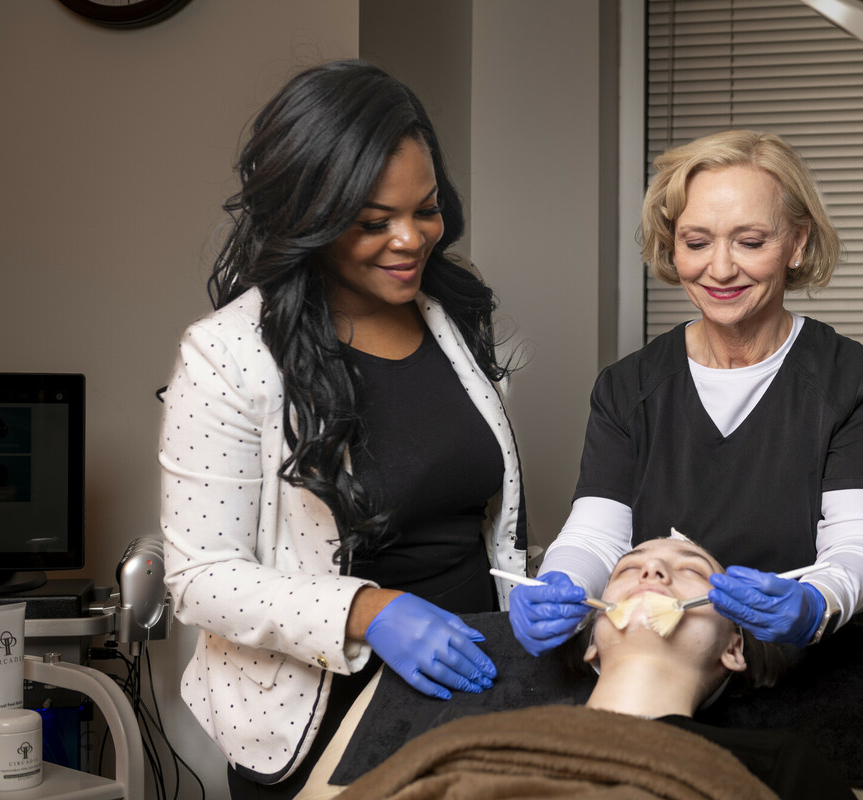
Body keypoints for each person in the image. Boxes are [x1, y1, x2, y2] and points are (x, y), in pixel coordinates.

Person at [159, 60, 528, 797]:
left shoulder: (448, 313)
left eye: (426, 209)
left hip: (472, 696)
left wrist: (533, 590)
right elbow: (200, 579)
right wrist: (369, 608)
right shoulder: (228, 353)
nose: (411, 239)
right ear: (312, 218)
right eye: (372, 222)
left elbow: (473, 511)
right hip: (322, 717)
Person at [510, 129, 863, 657]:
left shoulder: (853, 378)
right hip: (676, 661)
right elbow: (596, 537)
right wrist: (561, 585)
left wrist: (815, 603)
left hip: (814, 669)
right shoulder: (628, 388)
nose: (720, 269)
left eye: (751, 241)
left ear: (798, 243)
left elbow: (861, 542)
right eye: (697, 242)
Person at [330, 536, 856, 800]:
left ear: (734, 649)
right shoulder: (477, 742)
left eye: (692, 571)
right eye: (629, 568)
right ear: (589, 645)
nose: (652, 569)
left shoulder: (780, 765)